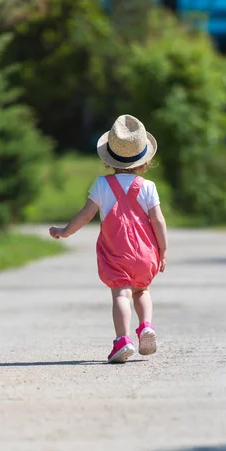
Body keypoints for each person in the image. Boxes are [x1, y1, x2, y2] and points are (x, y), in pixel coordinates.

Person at [49, 115, 168, 364]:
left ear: (109, 158)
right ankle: (146, 326)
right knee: (142, 290)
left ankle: (123, 341)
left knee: (121, 295)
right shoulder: (147, 186)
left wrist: (66, 231)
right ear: (143, 160)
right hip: (145, 252)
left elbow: (85, 215)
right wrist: (163, 251)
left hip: (116, 252)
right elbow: (158, 221)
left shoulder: (102, 185)